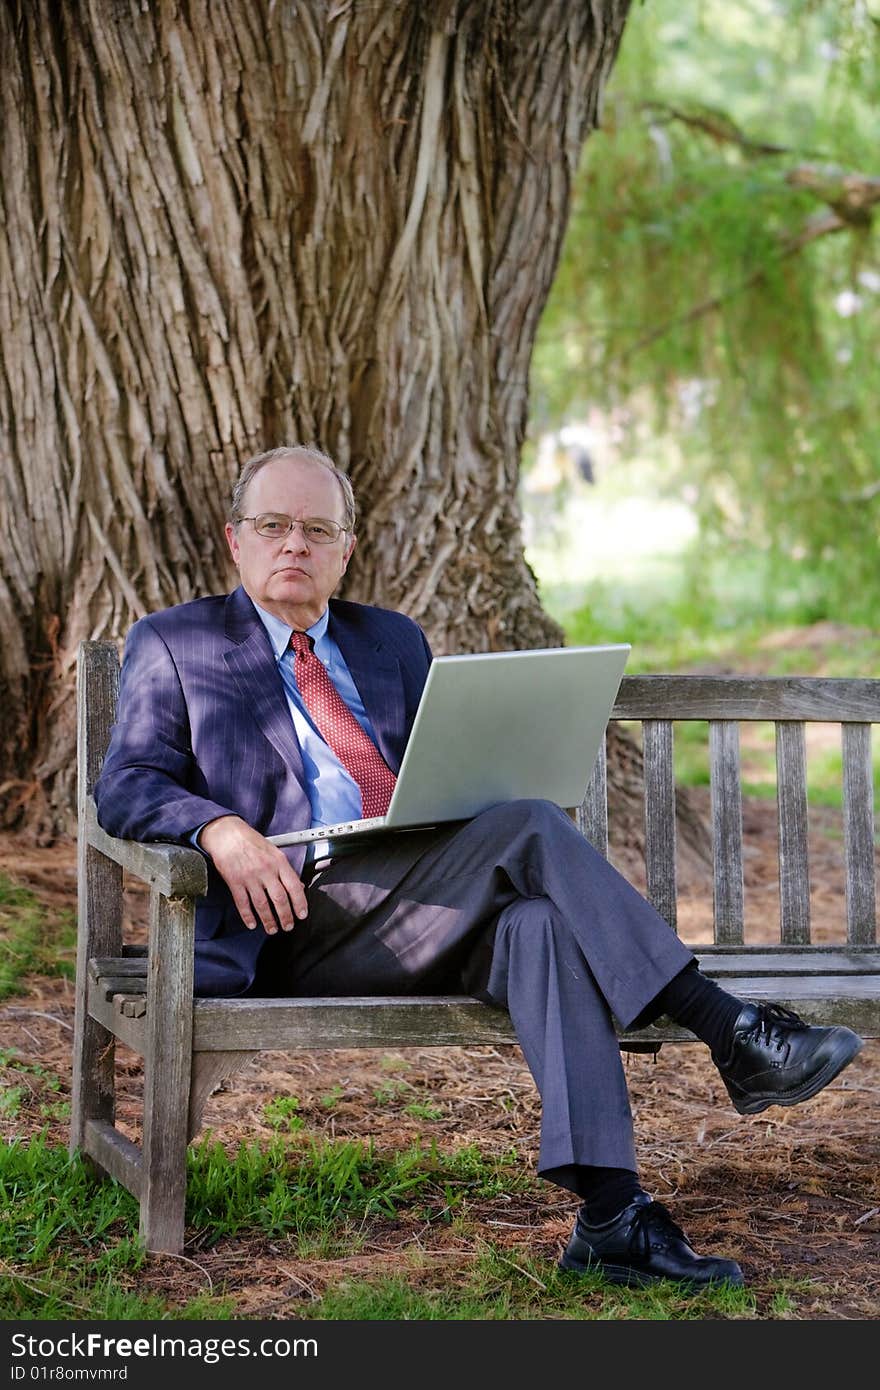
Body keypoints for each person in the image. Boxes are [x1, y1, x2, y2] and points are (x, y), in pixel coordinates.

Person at [95, 444, 864, 1291]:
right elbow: (126, 784)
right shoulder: (176, 643)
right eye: (273, 526)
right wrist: (218, 829)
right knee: (530, 829)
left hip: (423, 906)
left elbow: (447, 775)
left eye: (317, 529)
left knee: (539, 927)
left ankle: (611, 1218)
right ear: (234, 539)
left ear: (346, 549)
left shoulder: (391, 641)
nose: (294, 546)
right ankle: (729, 1028)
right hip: (291, 918)